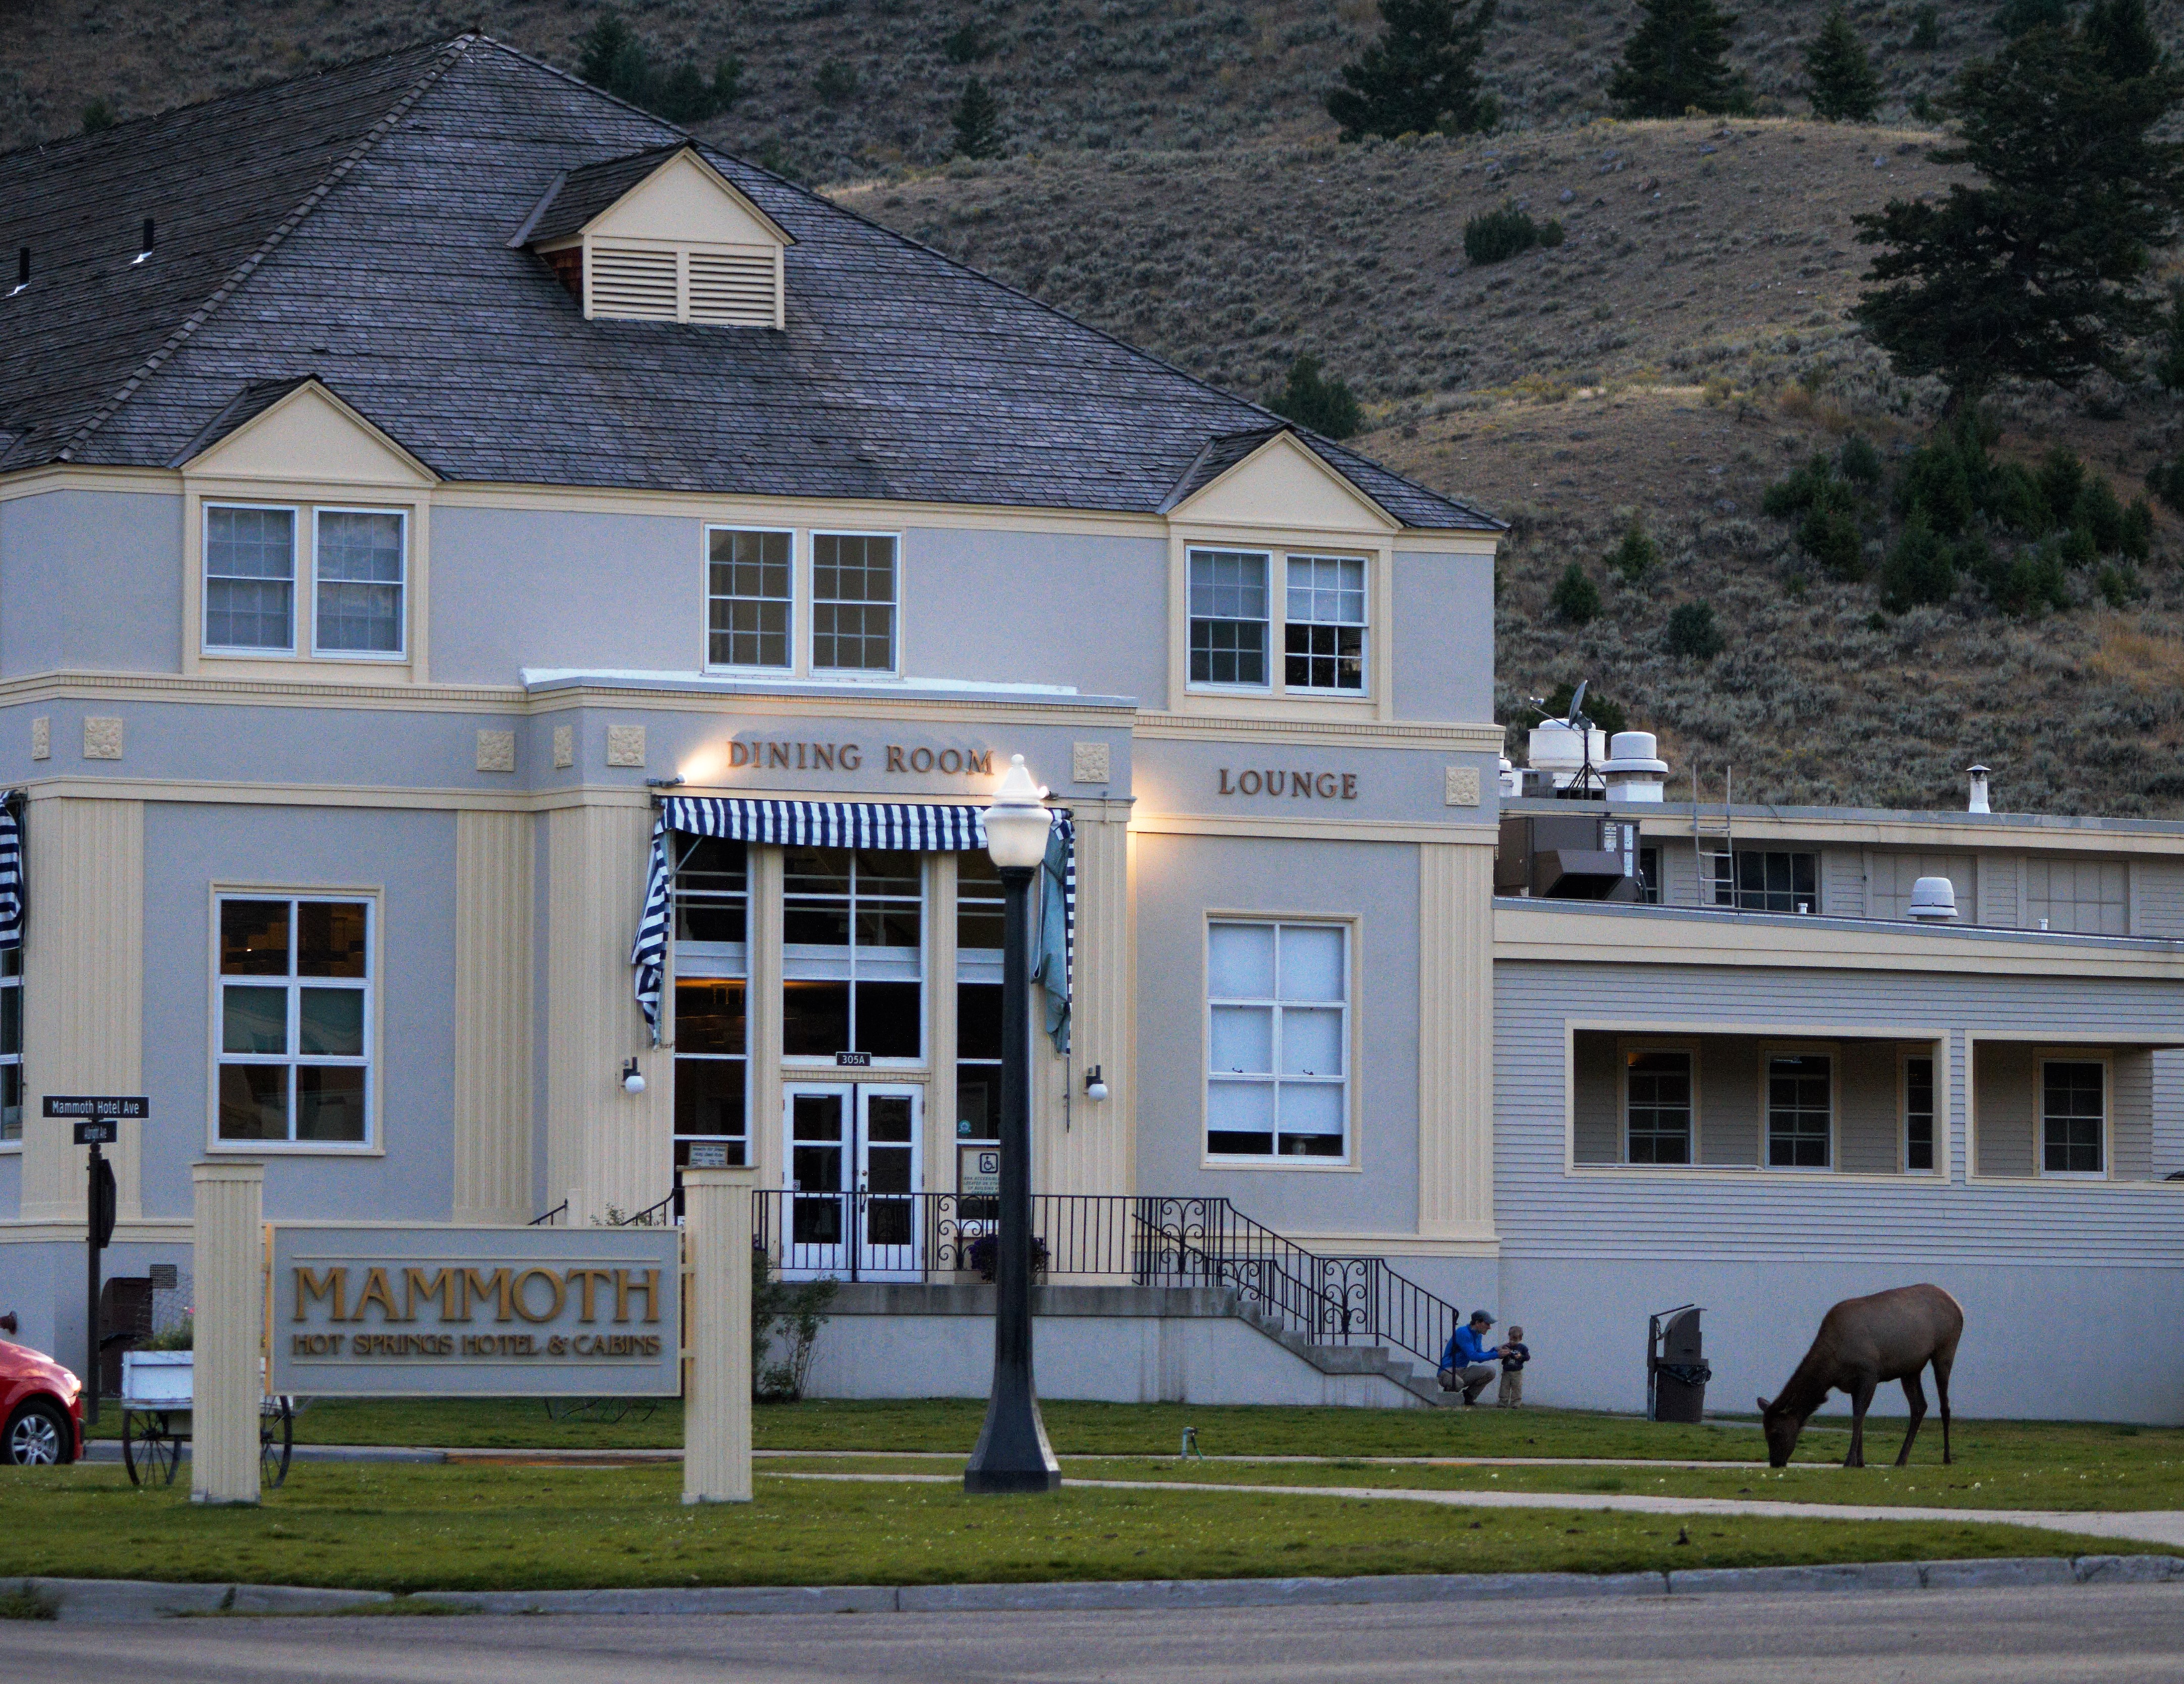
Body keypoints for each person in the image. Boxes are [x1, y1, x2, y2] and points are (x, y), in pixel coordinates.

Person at [1440, 1309, 1506, 1406]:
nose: (1490, 1328)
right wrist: (1496, 1355)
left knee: (1490, 1372)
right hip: (1447, 1371)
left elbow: (1480, 1356)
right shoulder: (1463, 1333)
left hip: (1462, 1371)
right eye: (1487, 1324)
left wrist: (1495, 1350)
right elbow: (1473, 1356)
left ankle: (1468, 1397)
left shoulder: (1478, 1335)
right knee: (1458, 1383)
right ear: (1477, 1323)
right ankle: (1448, 1398)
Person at [1497, 1324, 1530, 1408]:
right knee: (1504, 1387)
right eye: (1511, 1339)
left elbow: (1527, 1357)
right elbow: (1501, 1354)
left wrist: (1521, 1357)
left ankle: (1515, 1403)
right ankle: (1503, 1402)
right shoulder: (1507, 1346)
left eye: (1515, 1340)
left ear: (1520, 1339)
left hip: (1517, 1372)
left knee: (1517, 1388)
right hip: (1507, 1371)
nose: (1512, 1342)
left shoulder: (1523, 1348)